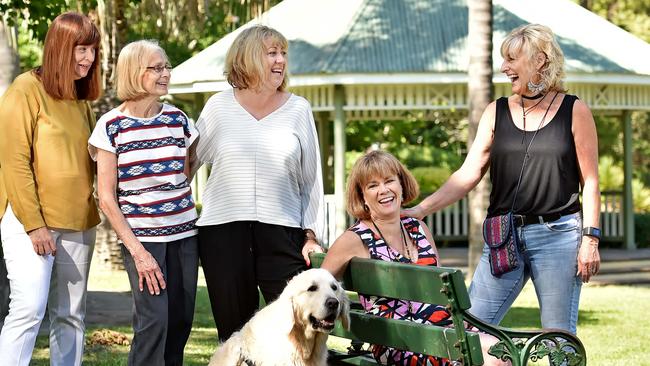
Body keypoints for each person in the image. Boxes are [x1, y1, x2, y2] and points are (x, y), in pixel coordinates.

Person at [406, 24, 600, 335]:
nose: (504, 67)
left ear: (540, 60)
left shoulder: (574, 110)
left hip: (558, 236)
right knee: (469, 331)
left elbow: (590, 181)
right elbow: (469, 173)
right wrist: (420, 210)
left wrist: (590, 240)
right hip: (503, 237)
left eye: (511, 59)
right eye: (503, 59)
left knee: (558, 337)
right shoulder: (495, 111)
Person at [194, 24, 325, 342]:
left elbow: (311, 181)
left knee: (298, 331)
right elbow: (186, 164)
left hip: (282, 235)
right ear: (248, 57)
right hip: (223, 233)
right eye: (272, 53)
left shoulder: (298, 109)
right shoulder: (218, 107)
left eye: (283, 53)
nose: (280, 60)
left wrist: (311, 235)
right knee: (236, 336)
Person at [322, 150, 507, 366]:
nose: (384, 190)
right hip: (400, 343)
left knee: (501, 350)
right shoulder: (355, 239)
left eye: (389, 181)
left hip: (439, 331)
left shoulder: (419, 229)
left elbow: (438, 294)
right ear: (362, 196)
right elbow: (316, 285)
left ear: (401, 185)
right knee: (495, 358)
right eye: (372, 186)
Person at [88, 40, 199, 365]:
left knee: (179, 321)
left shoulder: (179, 120)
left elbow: (185, 172)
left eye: (166, 67)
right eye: (157, 67)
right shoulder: (110, 126)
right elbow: (106, 197)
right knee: (153, 324)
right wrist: (139, 252)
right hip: (143, 242)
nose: (166, 73)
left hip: (184, 238)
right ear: (135, 72)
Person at [0, 12, 102, 366]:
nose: (88, 58)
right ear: (59, 48)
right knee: (28, 308)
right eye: (80, 49)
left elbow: (92, 160)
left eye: (92, 50)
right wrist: (34, 223)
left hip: (79, 222)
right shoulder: (24, 90)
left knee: (71, 316)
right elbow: (14, 162)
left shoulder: (80, 98)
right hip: (31, 223)